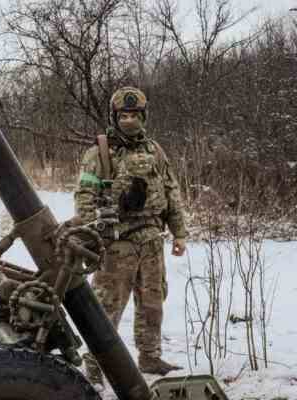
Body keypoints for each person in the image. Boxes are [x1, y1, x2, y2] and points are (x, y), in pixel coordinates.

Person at [74, 87, 189, 385]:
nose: (128, 120)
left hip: (151, 238)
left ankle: (150, 356)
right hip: (117, 241)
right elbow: (84, 196)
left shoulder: (155, 151)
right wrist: (95, 229)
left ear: (143, 116)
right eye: (123, 115)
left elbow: (171, 192)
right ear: (114, 117)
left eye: (134, 115)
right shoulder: (99, 153)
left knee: (153, 301)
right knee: (107, 305)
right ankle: (95, 364)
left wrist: (179, 233)